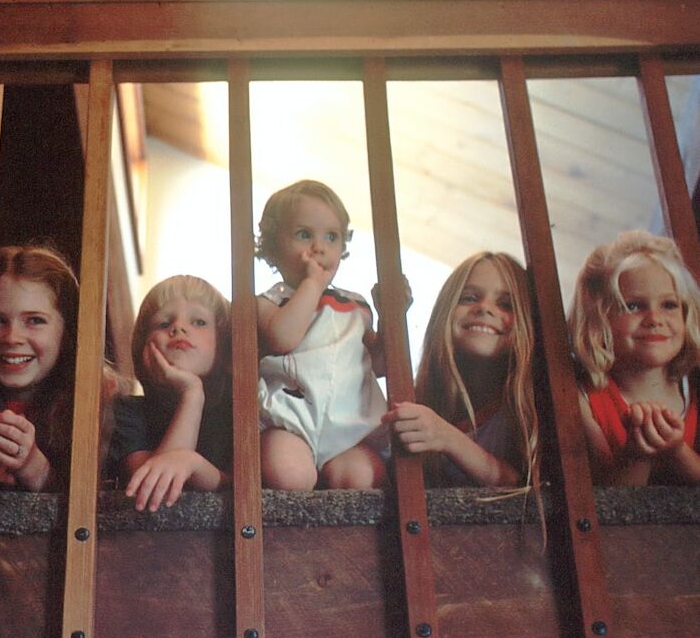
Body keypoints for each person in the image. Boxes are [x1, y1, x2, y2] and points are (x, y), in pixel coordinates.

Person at [255, 179, 387, 490]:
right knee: (288, 475)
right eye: (304, 235)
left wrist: (392, 316)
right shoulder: (267, 303)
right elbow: (283, 338)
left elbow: (379, 365)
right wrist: (312, 285)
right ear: (273, 247)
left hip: (350, 428)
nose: (319, 246)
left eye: (332, 236)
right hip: (290, 421)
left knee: (362, 478)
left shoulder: (356, 305)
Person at [383, 252, 539, 488]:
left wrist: (447, 438)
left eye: (506, 304)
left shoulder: (527, 406)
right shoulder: (420, 398)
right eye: (469, 298)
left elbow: (525, 489)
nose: (484, 308)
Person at [569, 230, 700, 485]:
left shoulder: (695, 387)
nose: (654, 319)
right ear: (600, 320)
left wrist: (678, 452)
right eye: (634, 306)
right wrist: (639, 455)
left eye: (669, 305)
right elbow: (611, 508)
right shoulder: (583, 397)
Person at [108, 275, 231, 511]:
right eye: (164, 324)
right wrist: (191, 393)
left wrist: (195, 464)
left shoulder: (235, 411)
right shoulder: (127, 410)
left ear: (224, 346)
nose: (179, 328)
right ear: (142, 346)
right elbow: (153, 487)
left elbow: (243, 483)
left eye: (199, 322)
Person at [0, 244, 79, 492]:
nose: (12, 337)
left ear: (68, 331)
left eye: (35, 321)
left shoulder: (97, 412)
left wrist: (34, 469)